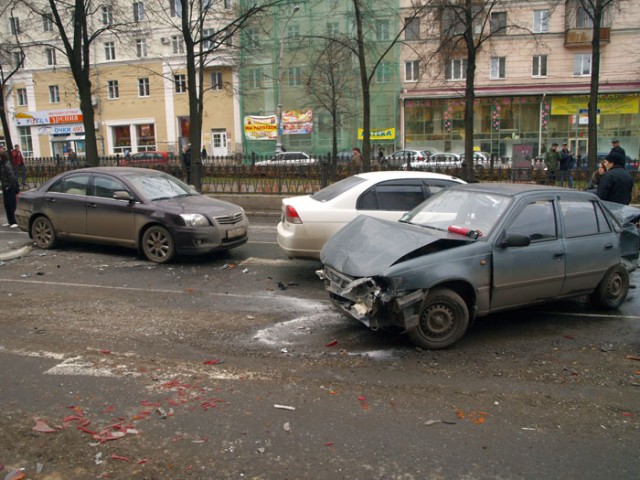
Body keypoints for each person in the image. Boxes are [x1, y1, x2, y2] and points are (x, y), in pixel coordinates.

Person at [1, 151, 20, 228]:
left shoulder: (7, 165)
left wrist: (9, 186)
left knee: (11, 204)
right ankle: (10, 220)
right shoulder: (3, 165)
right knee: (7, 205)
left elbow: (12, 177)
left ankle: (15, 221)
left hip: (10, 188)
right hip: (5, 187)